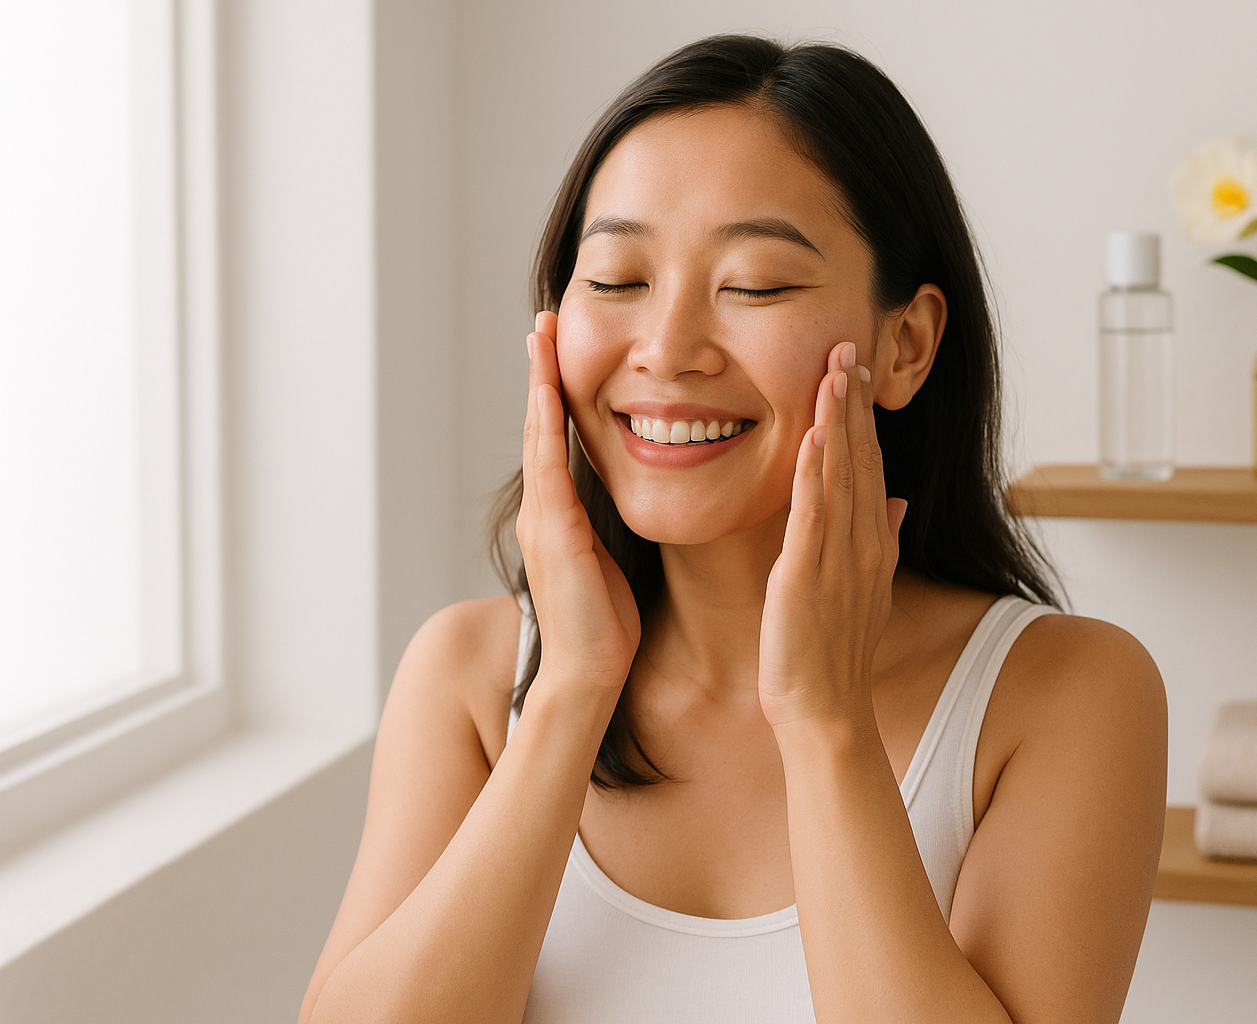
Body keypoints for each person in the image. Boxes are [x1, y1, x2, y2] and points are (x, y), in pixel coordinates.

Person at [299, 34, 1166, 1024]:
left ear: (908, 342)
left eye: (753, 285)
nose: (666, 351)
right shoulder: (467, 674)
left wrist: (826, 724)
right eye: (618, 279)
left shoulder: (1063, 696)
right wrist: (569, 697)